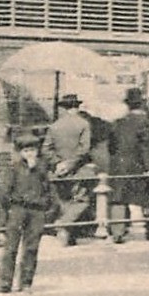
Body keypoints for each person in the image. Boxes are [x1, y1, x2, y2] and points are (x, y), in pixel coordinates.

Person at [0, 129, 58, 293]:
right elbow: (4, 191)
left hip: (37, 210)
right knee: (11, 247)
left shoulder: (42, 168)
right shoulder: (14, 168)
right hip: (18, 208)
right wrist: (8, 210)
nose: (30, 154)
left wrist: (48, 208)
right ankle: (5, 282)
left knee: (31, 247)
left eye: (33, 150)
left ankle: (26, 282)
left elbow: (48, 189)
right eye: (26, 151)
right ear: (20, 152)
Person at [108, 88, 149, 242]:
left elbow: (111, 146)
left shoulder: (118, 123)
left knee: (118, 199)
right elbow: (147, 148)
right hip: (137, 166)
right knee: (145, 198)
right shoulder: (143, 123)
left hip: (119, 167)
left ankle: (117, 233)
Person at [44, 94, 94, 245]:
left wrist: (59, 163)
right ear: (76, 107)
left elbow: (46, 149)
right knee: (82, 200)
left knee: (64, 202)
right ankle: (63, 225)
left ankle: (66, 235)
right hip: (78, 170)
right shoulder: (83, 124)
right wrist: (70, 164)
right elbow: (84, 149)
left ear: (63, 108)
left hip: (58, 171)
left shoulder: (54, 126)